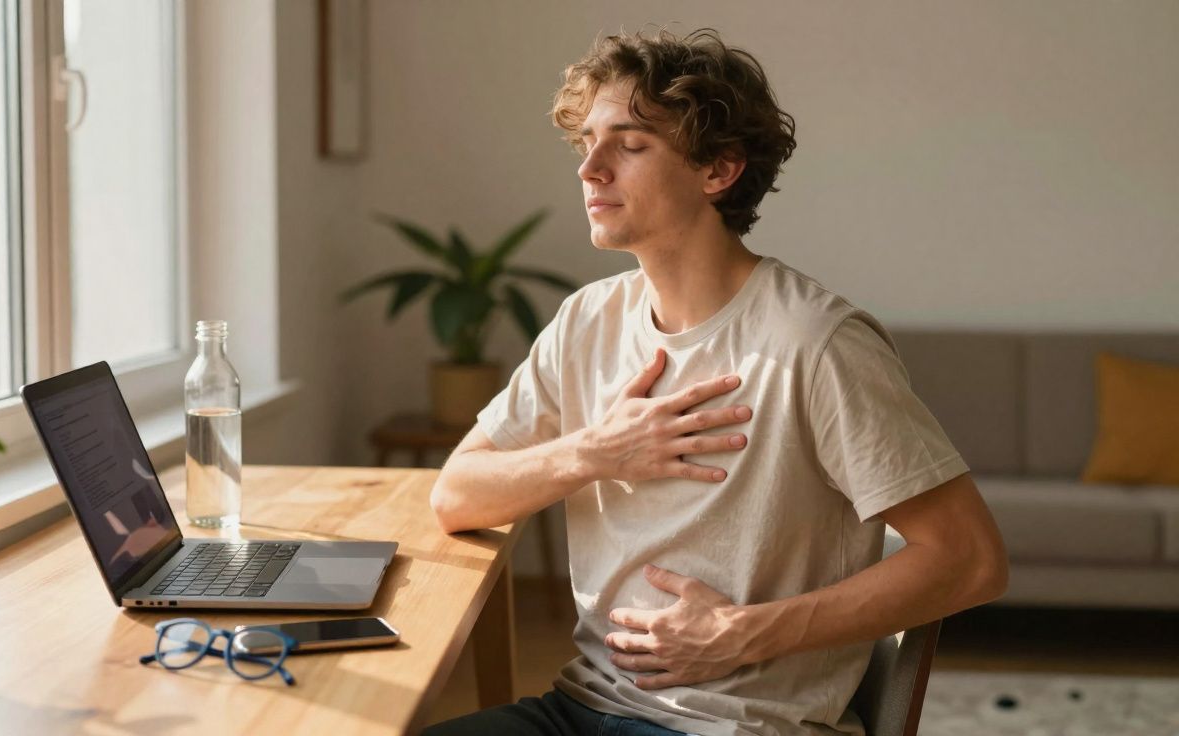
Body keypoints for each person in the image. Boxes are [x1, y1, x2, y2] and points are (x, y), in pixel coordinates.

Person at [424, 27, 1008, 736]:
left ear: (718, 170)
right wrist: (593, 453)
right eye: (587, 145)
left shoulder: (816, 343)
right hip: (581, 709)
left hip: (734, 725)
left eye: (630, 145)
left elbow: (971, 561)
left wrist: (741, 633)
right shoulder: (587, 320)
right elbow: (455, 496)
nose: (591, 170)